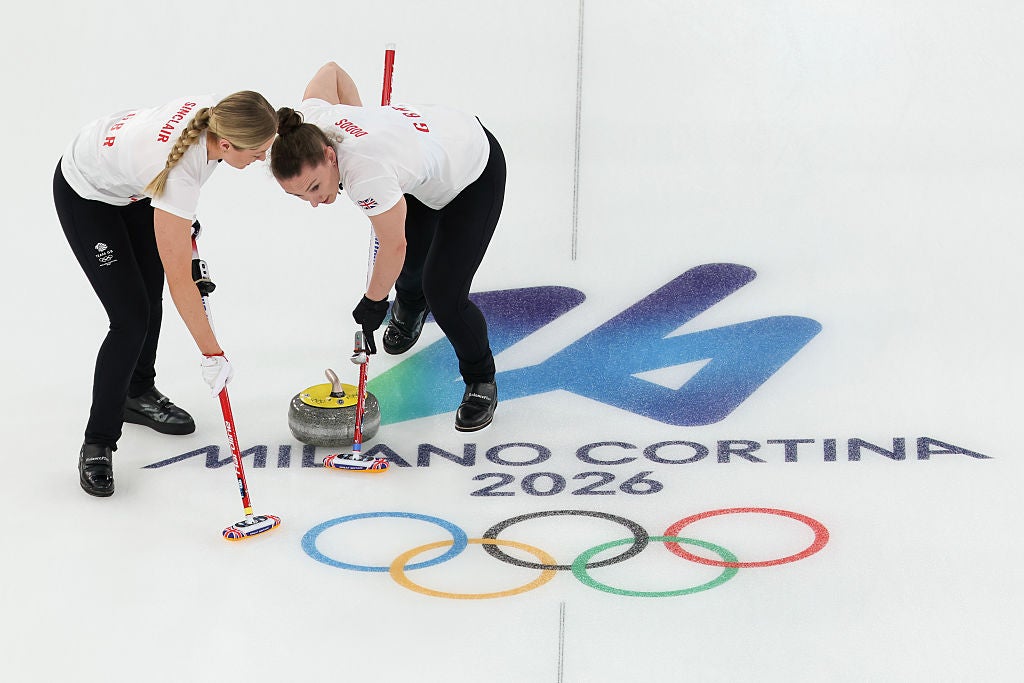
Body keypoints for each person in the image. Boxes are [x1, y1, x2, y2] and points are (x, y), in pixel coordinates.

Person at [53, 91, 278, 497]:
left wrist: (180, 222)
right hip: (87, 195)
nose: (262, 158)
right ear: (225, 144)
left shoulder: (214, 123)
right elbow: (182, 281)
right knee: (130, 319)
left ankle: (137, 392)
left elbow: (171, 202)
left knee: (148, 292)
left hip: (137, 188)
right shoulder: (179, 172)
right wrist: (213, 353)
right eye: (258, 152)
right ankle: (98, 442)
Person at [270, 62, 506, 433]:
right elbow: (331, 71)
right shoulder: (308, 123)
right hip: (424, 155)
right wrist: (363, 118)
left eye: (314, 187)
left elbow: (392, 245)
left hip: (472, 170)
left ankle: (481, 379)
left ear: (331, 156)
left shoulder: (366, 173)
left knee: (444, 292)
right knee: (411, 263)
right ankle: (411, 306)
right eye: (299, 195)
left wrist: (373, 304)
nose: (313, 202)